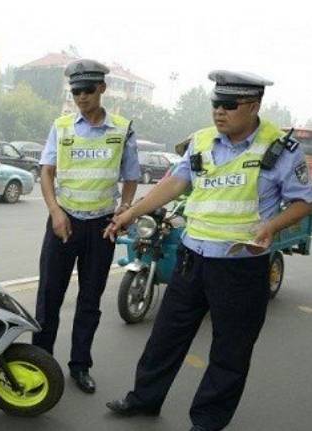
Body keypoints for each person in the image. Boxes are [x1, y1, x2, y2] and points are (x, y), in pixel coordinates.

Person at [104, 71, 312, 431]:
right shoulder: (201, 141)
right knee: (166, 336)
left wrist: (271, 226)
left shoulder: (279, 149)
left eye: (229, 105)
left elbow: (303, 201)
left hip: (240, 266)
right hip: (192, 258)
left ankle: (207, 420)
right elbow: (173, 185)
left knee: (231, 350)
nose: (219, 112)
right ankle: (144, 399)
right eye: (216, 103)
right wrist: (130, 213)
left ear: (254, 106)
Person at [33, 59, 141, 394]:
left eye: (87, 90)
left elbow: (132, 176)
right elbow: (46, 171)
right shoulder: (62, 126)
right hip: (64, 223)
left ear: (102, 89)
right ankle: (39, 362)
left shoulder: (122, 129)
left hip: (101, 228)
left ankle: (80, 365)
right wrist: (54, 211)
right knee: (49, 297)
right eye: (75, 91)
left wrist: (124, 208)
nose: (81, 96)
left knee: (90, 301)